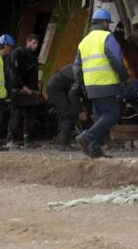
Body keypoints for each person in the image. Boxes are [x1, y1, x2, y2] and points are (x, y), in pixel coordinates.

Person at [74, 8, 129, 158]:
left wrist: (82, 86)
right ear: (104, 23)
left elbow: (77, 68)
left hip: (91, 87)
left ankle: (94, 149)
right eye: (108, 23)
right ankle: (87, 137)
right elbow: (116, 60)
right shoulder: (107, 37)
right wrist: (124, 77)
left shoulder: (84, 41)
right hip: (106, 84)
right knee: (112, 115)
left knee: (100, 118)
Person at [9, 34, 43, 149]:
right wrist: (22, 86)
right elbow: (14, 72)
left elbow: (33, 76)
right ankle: (11, 140)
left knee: (30, 116)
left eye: (37, 44)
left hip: (30, 91)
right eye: (34, 43)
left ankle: (28, 140)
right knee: (16, 115)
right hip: (19, 90)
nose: (36, 46)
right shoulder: (18, 53)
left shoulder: (33, 58)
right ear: (27, 42)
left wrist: (36, 91)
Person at [46, 63, 83, 151]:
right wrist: (78, 111)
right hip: (57, 88)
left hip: (55, 86)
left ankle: (63, 142)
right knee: (68, 114)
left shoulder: (79, 66)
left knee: (63, 114)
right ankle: (64, 144)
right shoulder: (81, 72)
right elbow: (73, 94)